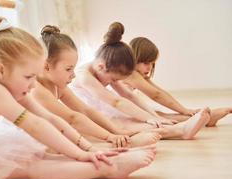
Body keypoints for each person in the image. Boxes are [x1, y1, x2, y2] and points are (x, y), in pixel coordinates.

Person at [0, 17, 156, 179]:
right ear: (0, 69)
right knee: (27, 166)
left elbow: (49, 119)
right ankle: (108, 168)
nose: (33, 84)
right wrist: (81, 154)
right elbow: (35, 125)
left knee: (39, 153)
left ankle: (100, 161)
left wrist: (87, 148)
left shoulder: (6, 83)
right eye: (29, 76)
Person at [71, 22, 210, 139]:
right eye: (114, 79)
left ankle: (179, 126)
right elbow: (116, 101)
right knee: (120, 123)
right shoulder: (84, 76)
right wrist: (149, 118)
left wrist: (153, 116)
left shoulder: (106, 68)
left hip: (102, 106)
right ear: (102, 67)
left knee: (134, 118)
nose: (113, 82)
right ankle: (178, 130)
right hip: (85, 113)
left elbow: (129, 95)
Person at [30, 25, 161, 148]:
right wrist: (110, 136)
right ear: (46, 66)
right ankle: (126, 144)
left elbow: (85, 110)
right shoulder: (36, 89)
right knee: (70, 135)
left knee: (95, 128)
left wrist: (117, 132)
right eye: (68, 69)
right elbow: (73, 118)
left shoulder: (58, 85)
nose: (73, 75)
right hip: (34, 135)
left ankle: (130, 139)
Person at [120, 36, 231, 126]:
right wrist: (184, 110)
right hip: (117, 112)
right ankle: (206, 119)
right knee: (157, 115)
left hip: (125, 109)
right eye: (146, 63)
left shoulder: (138, 75)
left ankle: (204, 119)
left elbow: (160, 91)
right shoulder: (131, 74)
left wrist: (184, 109)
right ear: (134, 59)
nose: (149, 68)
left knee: (158, 114)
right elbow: (156, 95)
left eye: (152, 63)